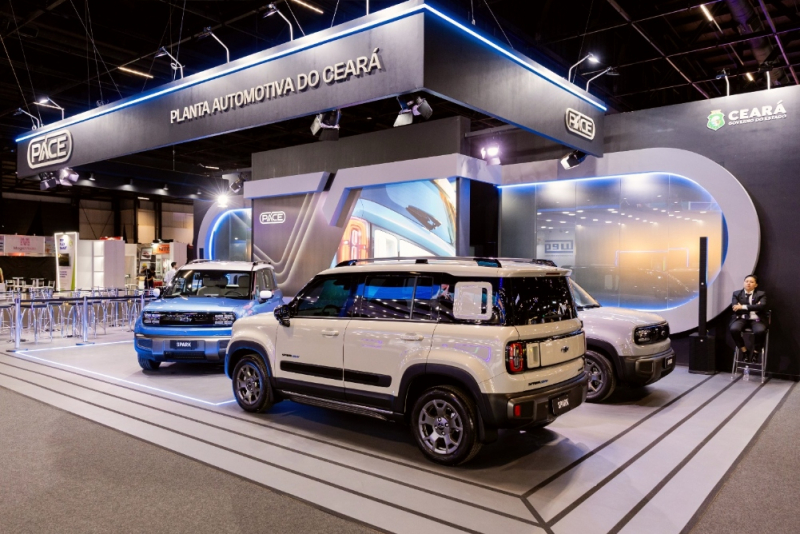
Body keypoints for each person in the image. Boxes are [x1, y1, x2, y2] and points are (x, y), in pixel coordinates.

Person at [729, 274, 767, 363]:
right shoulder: (736, 294)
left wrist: (742, 306)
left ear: (756, 285)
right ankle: (744, 351)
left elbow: (761, 306)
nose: (748, 283)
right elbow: (735, 307)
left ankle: (756, 352)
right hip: (741, 318)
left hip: (756, 319)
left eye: (751, 282)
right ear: (744, 283)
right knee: (734, 329)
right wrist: (755, 306)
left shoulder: (761, 294)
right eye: (746, 281)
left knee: (760, 331)